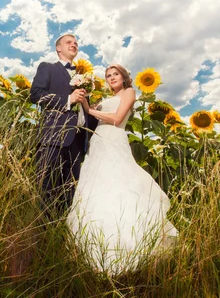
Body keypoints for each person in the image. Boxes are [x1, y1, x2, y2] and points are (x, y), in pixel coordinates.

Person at [66, 64, 178, 275]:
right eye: (108, 76)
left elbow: (117, 119)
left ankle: (127, 245)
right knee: (97, 189)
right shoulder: (104, 99)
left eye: (115, 74)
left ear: (124, 76)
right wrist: (84, 102)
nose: (111, 78)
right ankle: (94, 246)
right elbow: (90, 119)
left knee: (119, 183)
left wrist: (90, 109)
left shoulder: (129, 92)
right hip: (98, 143)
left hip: (114, 139)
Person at [29, 34, 97, 217]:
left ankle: (63, 233)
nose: (73, 45)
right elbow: (35, 94)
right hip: (54, 137)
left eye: (76, 43)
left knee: (70, 191)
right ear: (58, 48)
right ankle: (42, 235)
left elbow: (85, 110)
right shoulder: (48, 68)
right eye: (69, 42)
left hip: (77, 140)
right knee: (47, 188)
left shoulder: (84, 77)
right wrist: (68, 99)